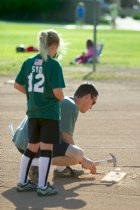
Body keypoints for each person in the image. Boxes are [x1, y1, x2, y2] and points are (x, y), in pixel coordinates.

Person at [14, 29, 65, 196]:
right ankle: (43, 186)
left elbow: (17, 84)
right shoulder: (53, 64)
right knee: (46, 148)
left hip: (33, 111)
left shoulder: (28, 62)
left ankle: (22, 182)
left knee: (32, 146)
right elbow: (57, 91)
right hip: (49, 112)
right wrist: (62, 98)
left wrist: (33, 95)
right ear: (53, 46)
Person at [12, 83, 98, 183]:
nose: (91, 107)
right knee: (77, 154)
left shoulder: (67, 101)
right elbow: (67, 138)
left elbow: (62, 140)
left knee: (69, 149)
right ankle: (34, 163)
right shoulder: (71, 106)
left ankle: (61, 170)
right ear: (87, 97)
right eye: (93, 102)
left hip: (23, 140)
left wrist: (82, 159)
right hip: (30, 144)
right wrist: (83, 160)